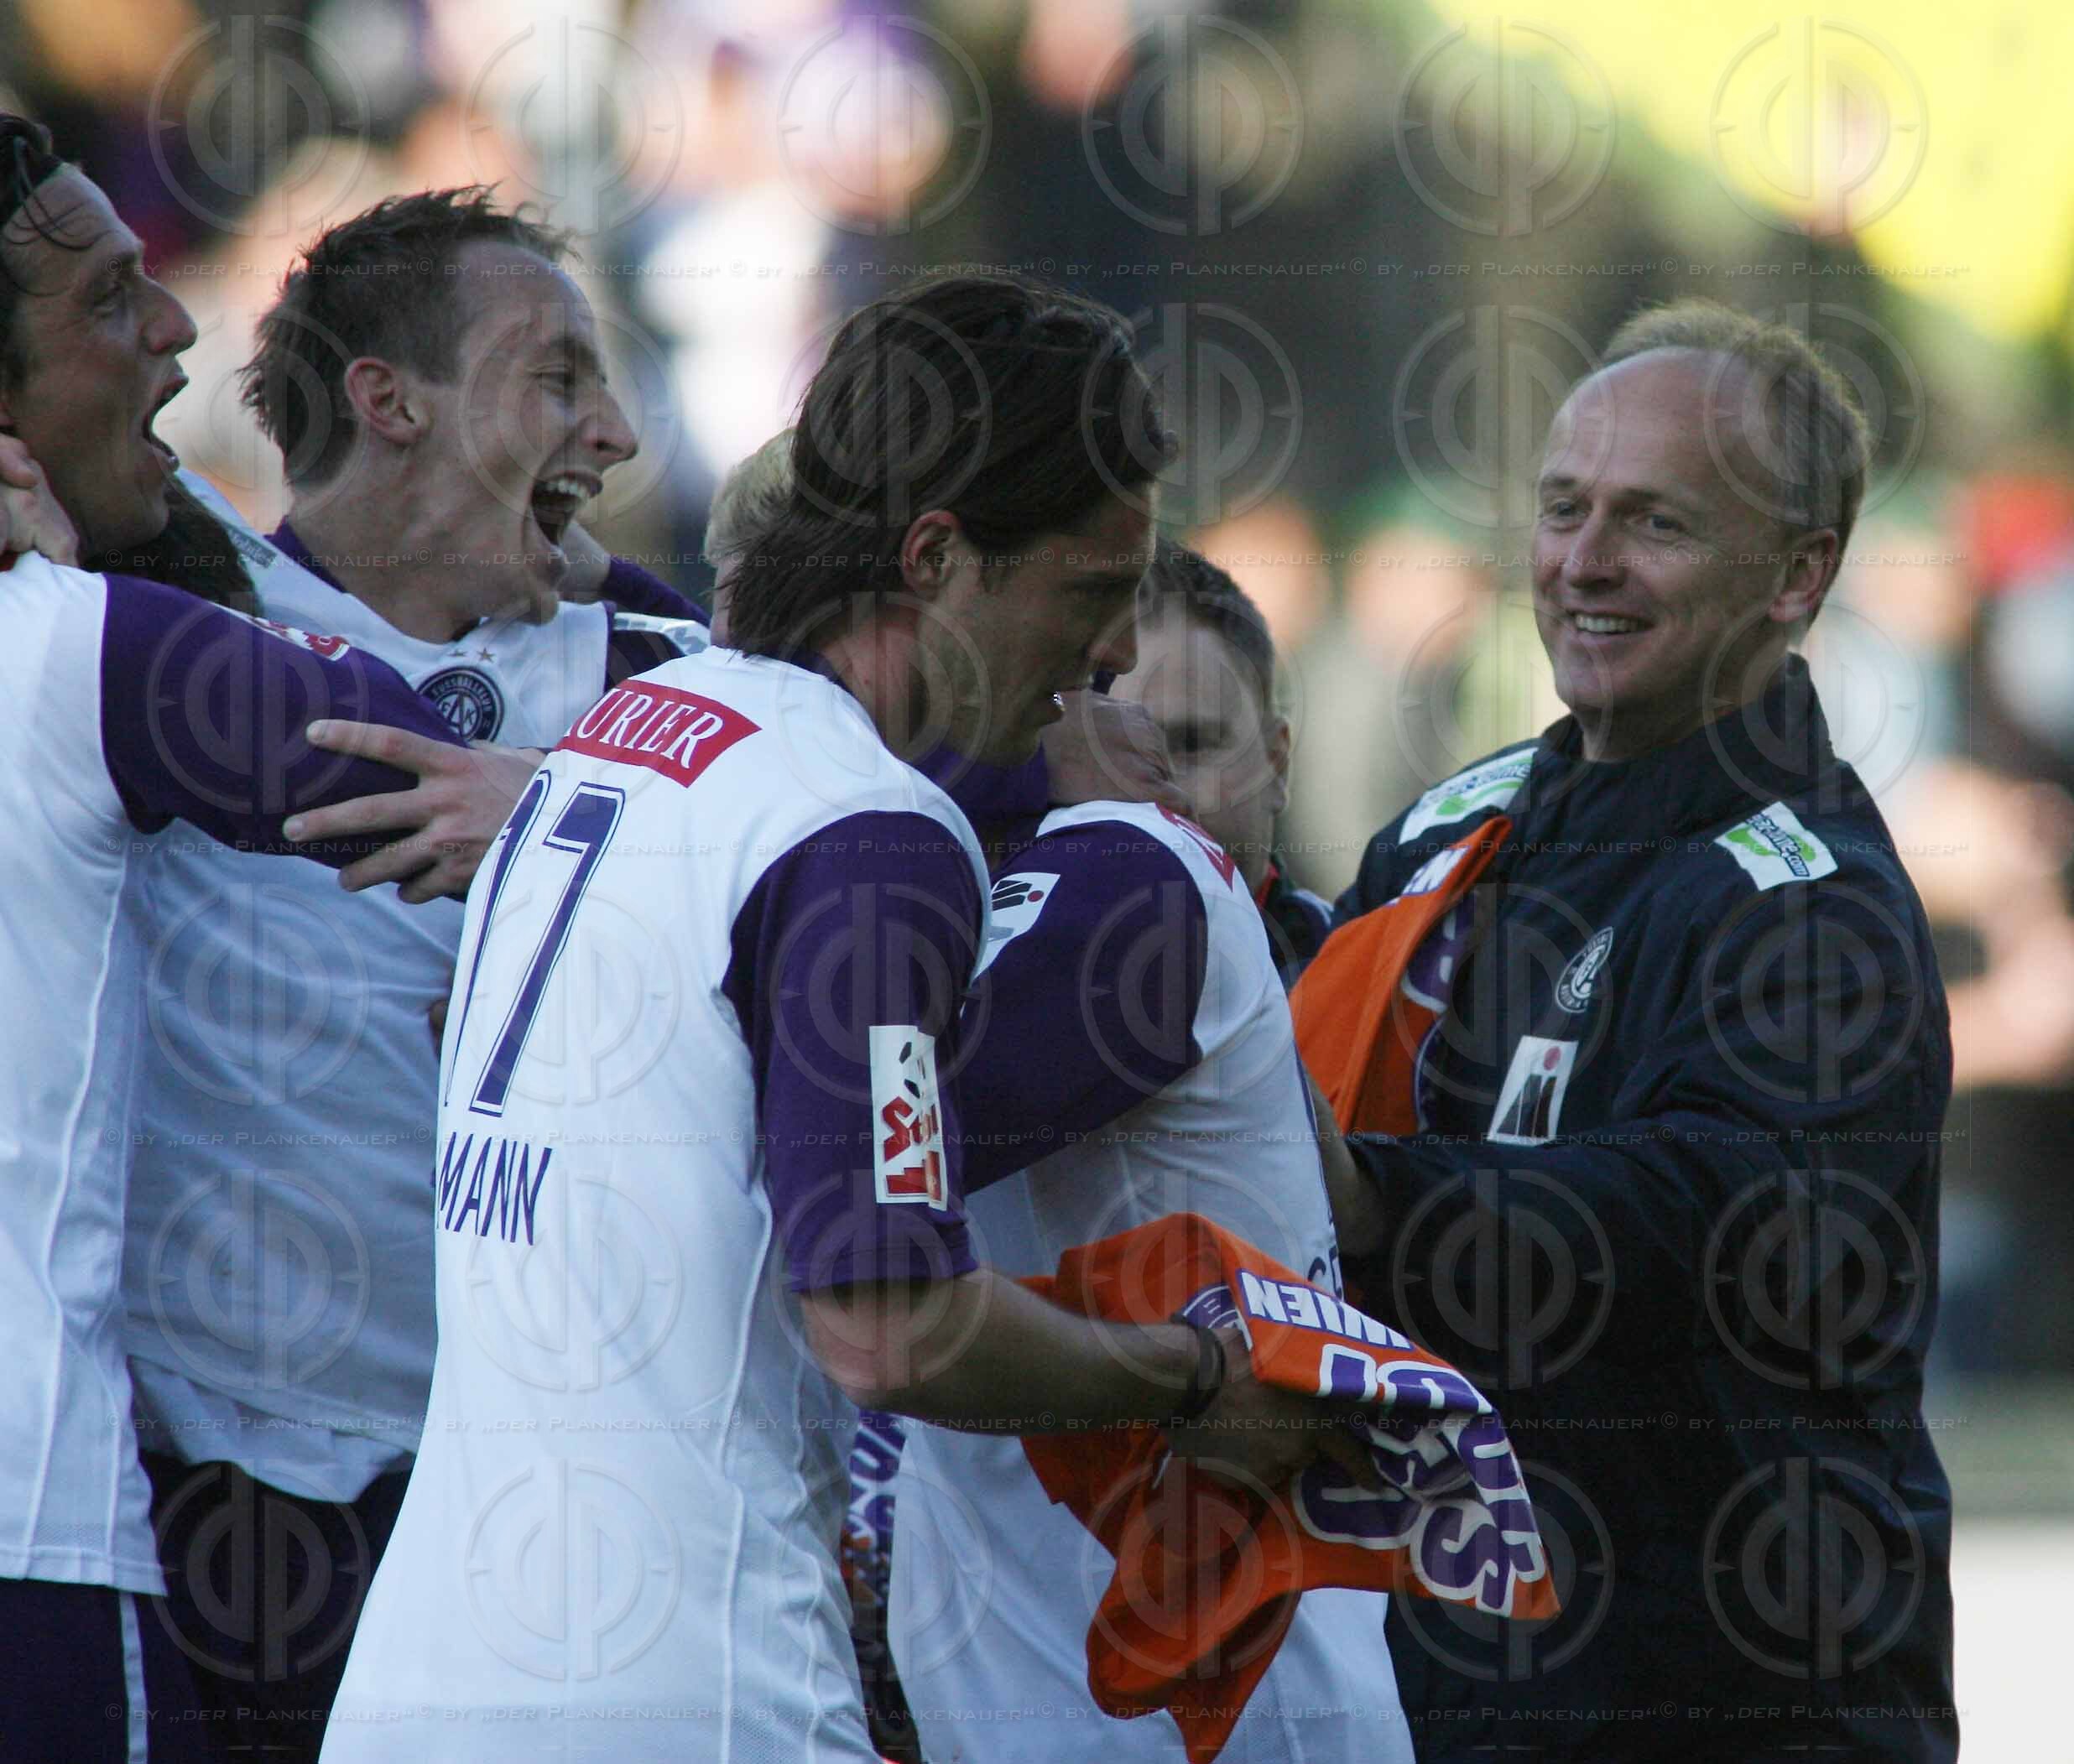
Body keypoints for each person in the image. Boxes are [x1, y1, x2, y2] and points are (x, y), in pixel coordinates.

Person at [320, 274, 1365, 1761]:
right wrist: (1196, 1377)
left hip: (422, 1671)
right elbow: (890, 1328)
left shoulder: (618, 747)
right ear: (938, 558)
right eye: (1087, 589)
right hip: (691, 1685)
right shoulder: (862, 831)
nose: (1115, 654)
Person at [1313, 300, 1956, 1761]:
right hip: (1449, 1691)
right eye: (1560, 509)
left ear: (1797, 575)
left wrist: (1367, 1193)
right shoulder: (1444, 829)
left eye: (1651, 522)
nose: (1581, 562)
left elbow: (1704, 1220)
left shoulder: (1816, 906)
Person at [117, 187, 708, 1763]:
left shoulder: (660, 677)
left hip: (553, 1493)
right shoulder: (164, 623)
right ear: (389, 400)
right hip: (222, 1489)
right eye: (559, 377)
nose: (617, 433)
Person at [0, 115, 487, 1761]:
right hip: (39, 1544)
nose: (177, 329)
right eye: (108, 303)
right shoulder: (71, 654)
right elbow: (410, 765)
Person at [888, 537, 1412, 1763]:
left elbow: (857, 1168)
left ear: (1279, 755)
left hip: (1203, 1711)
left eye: (1185, 740)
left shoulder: (1156, 898)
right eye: (1102, 728)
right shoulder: (992, 907)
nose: (1149, 780)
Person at [1113, 539, 1332, 984]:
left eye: (1192, 743)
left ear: (1276, 762)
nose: (1157, 796)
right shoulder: (976, 989)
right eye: (1113, 750)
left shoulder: (1370, 994)